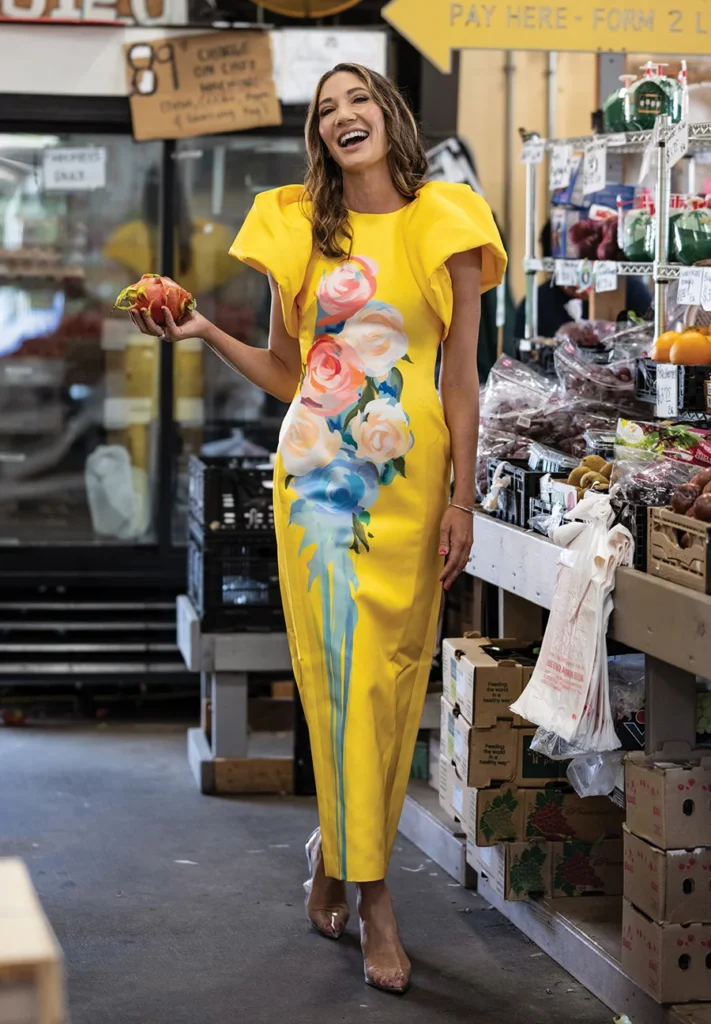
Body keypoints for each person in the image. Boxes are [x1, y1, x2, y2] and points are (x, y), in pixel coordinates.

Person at [130, 62, 506, 994]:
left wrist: (464, 497)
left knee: (391, 682)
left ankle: (335, 857)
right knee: (341, 683)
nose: (344, 116)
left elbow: (459, 375)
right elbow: (292, 370)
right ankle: (377, 903)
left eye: (359, 101)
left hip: (414, 486)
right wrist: (207, 336)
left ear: (390, 116)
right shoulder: (301, 226)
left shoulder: (447, 217)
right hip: (319, 489)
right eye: (326, 108)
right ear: (318, 136)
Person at [514, 220, 652, 339]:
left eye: (587, 267)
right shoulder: (535, 305)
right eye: (571, 271)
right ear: (551, 269)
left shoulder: (634, 294)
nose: (582, 281)